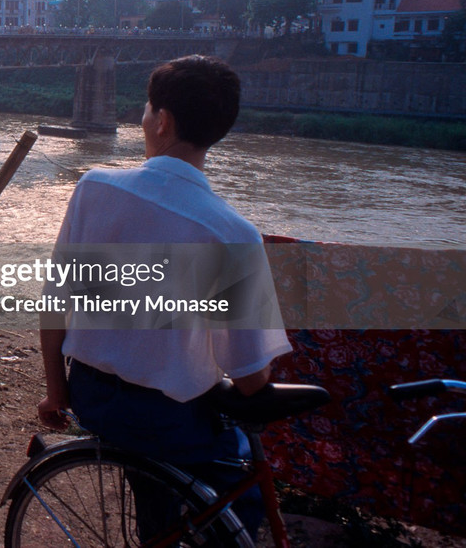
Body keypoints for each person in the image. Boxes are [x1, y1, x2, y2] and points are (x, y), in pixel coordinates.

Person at [37, 55, 291, 537]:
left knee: (155, 488)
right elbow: (253, 379)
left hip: (91, 395)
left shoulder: (93, 187)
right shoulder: (232, 233)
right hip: (166, 419)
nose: (143, 118)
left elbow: (56, 299)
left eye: (147, 108)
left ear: (163, 120)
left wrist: (56, 390)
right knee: (244, 498)